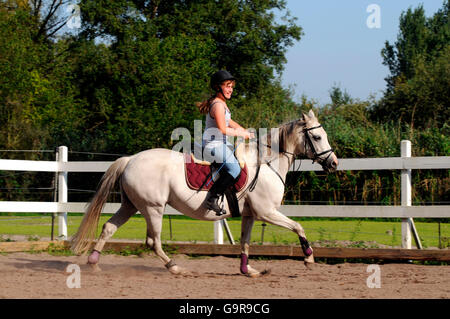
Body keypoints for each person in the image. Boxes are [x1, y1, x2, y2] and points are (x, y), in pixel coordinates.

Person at [197, 70, 253, 215]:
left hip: (220, 145)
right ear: (218, 87)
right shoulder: (217, 105)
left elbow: (230, 122)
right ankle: (211, 199)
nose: (230, 90)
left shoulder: (222, 104)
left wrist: (246, 131)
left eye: (232, 87)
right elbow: (223, 129)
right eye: (227, 86)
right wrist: (241, 134)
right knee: (234, 169)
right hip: (213, 145)